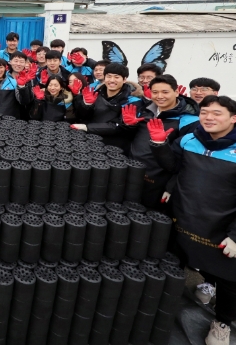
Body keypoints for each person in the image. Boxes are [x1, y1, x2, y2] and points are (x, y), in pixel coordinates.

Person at [149, 95, 236, 345]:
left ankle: (222, 323)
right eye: (204, 112)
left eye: (216, 113)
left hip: (222, 223)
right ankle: (173, 301)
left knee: (228, 277)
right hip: (186, 214)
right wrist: (159, 145)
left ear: (233, 118)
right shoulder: (189, 139)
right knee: (179, 259)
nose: (208, 117)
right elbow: (174, 166)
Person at [121, 74, 199, 209]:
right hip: (132, 172)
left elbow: (187, 159)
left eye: (165, 92)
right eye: (155, 92)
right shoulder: (146, 111)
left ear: (176, 92)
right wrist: (129, 126)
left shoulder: (188, 121)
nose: (159, 96)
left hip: (158, 181)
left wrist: (171, 186)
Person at [72, 63, 144, 151]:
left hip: (114, 147)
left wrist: (87, 127)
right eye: (109, 76)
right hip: (90, 141)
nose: (112, 80)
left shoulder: (132, 101)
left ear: (124, 79)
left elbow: (118, 127)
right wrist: (86, 105)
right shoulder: (95, 94)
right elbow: (82, 117)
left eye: (116, 77)